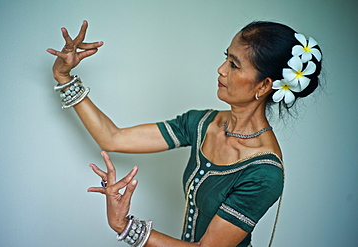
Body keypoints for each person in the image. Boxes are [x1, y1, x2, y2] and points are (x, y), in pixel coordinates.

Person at [47, 20, 322, 247]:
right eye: (225, 58)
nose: (221, 70)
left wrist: (124, 225)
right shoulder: (201, 124)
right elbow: (113, 138)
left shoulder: (264, 172)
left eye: (234, 65)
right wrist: (64, 77)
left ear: (264, 85)